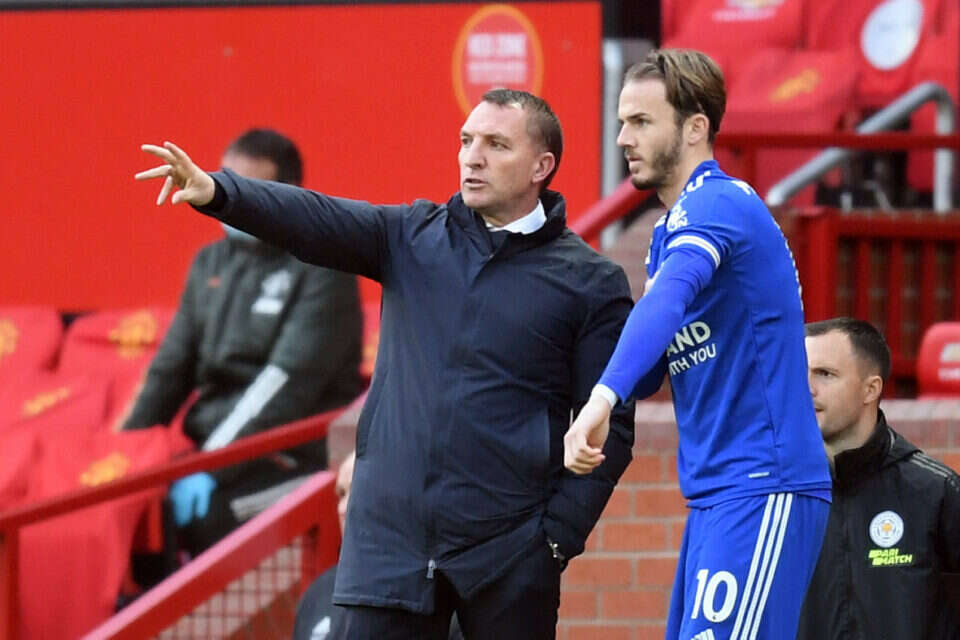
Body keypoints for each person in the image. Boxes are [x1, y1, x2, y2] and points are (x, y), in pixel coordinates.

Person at [135, 89, 636, 639]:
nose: (472, 157)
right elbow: (313, 216)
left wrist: (557, 539)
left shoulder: (590, 282)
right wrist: (219, 191)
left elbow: (611, 425)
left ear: (542, 167)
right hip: (388, 552)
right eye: (466, 141)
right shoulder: (410, 236)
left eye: (496, 145)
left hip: (508, 561)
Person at [563, 48, 832, 640]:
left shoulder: (717, 201)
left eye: (641, 121)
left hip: (763, 480)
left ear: (694, 128)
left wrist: (601, 400)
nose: (623, 138)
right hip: (717, 492)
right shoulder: (668, 229)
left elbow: (668, 300)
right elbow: (652, 367)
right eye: (622, 122)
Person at [123, 128, 364, 556]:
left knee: (203, 516)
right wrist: (124, 457)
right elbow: (169, 371)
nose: (230, 197)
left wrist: (212, 467)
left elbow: (283, 385)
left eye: (248, 188)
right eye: (224, 182)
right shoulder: (209, 263)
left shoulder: (325, 268)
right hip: (215, 451)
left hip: (296, 458)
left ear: (288, 193)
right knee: (135, 509)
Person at [797, 317, 960, 639]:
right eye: (800, 373)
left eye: (825, 374)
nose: (807, 388)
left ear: (870, 389)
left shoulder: (936, 493)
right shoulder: (776, 495)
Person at [292, 451, 464, 640]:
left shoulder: (439, 597)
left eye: (358, 489)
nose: (343, 508)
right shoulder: (318, 592)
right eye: (341, 493)